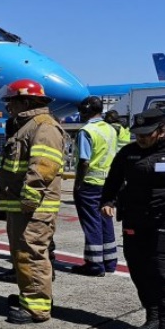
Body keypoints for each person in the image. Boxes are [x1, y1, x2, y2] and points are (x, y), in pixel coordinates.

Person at [101, 108, 165, 329]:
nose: (141, 139)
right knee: (138, 270)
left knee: (164, 273)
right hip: (134, 220)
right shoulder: (128, 153)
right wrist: (108, 201)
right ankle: (152, 315)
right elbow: (113, 180)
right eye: (138, 134)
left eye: (147, 134)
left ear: (162, 130)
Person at [0, 79, 65, 324]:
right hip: (22, 207)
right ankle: (30, 296)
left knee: (31, 255)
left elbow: (43, 166)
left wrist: (29, 197)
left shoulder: (43, 128)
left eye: (11, 101)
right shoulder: (26, 126)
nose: (8, 106)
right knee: (21, 254)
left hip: (34, 208)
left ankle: (36, 308)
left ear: (25, 101)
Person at [71, 96, 118, 276]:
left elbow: (84, 161)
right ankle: (110, 262)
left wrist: (77, 184)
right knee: (106, 220)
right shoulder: (110, 129)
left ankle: (94, 265)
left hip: (89, 184)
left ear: (86, 111)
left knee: (91, 223)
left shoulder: (87, 131)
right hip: (107, 183)